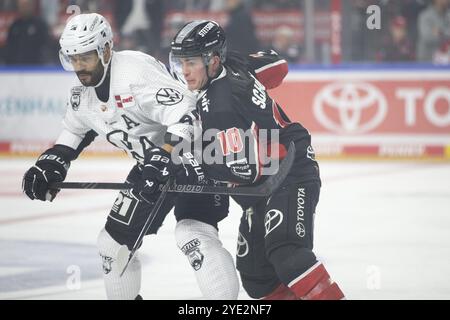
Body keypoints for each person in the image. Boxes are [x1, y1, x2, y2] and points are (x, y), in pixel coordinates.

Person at [21, 13, 239, 300]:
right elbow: (74, 132)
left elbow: (188, 110)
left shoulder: (134, 73)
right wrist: (50, 164)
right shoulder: (82, 95)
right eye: (72, 59)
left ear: (107, 50)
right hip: (152, 165)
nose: (79, 67)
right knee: (113, 247)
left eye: (85, 57)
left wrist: (163, 158)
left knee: (193, 233)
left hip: (195, 156)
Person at [166, 20, 345, 300]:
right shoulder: (234, 65)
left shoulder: (220, 107)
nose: (184, 72)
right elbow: (279, 66)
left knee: (287, 253)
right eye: (180, 63)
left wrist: (191, 167)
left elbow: (243, 172)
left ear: (213, 60)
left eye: (191, 63)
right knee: (256, 275)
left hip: (289, 174)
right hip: (266, 183)